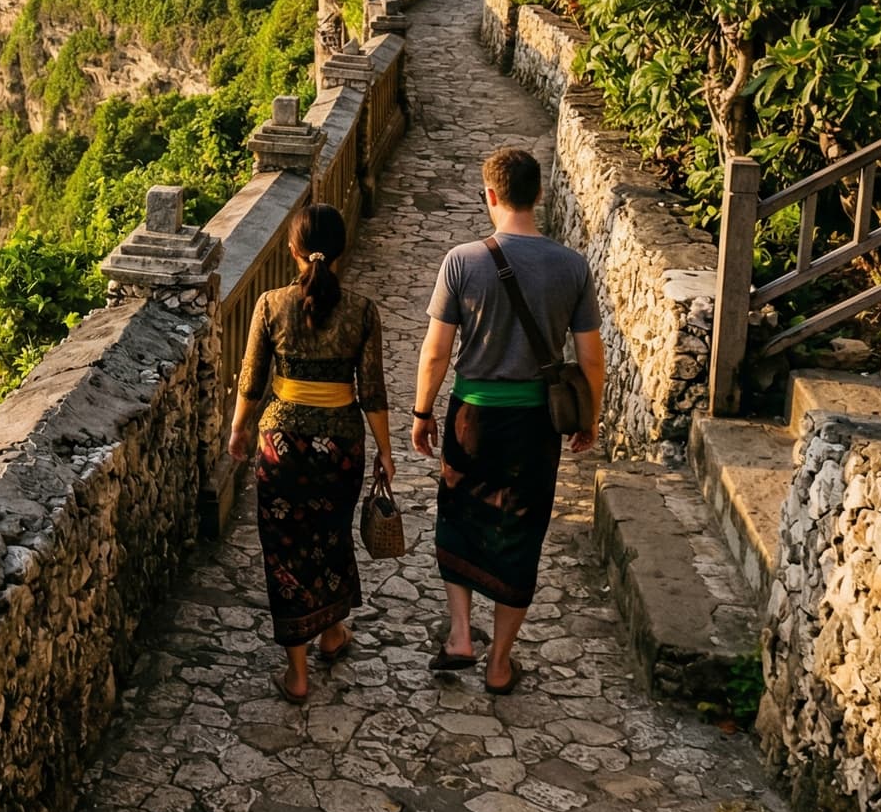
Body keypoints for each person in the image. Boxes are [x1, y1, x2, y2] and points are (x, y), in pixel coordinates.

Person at [410, 147, 604, 695]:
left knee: (460, 514)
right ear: (539, 195)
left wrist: (422, 412)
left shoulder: (462, 260)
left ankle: (459, 636)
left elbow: (435, 353)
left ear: (490, 195)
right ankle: (500, 663)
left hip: (472, 416)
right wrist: (589, 414)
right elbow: (591, 357)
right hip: (536, 425)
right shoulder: (572, 266)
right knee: (521, 530)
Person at [227, 203, 393, 702]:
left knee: (285, 551)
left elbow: (252, 381)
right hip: (340, 447)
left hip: (281, 446)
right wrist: (386, 452)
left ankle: (296, 673)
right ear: (339, 252)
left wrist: (239, 430)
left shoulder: (270, 305)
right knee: (330, 537)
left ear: (292, 250)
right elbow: (374, 392)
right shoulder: (362, 311)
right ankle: (331, 633)